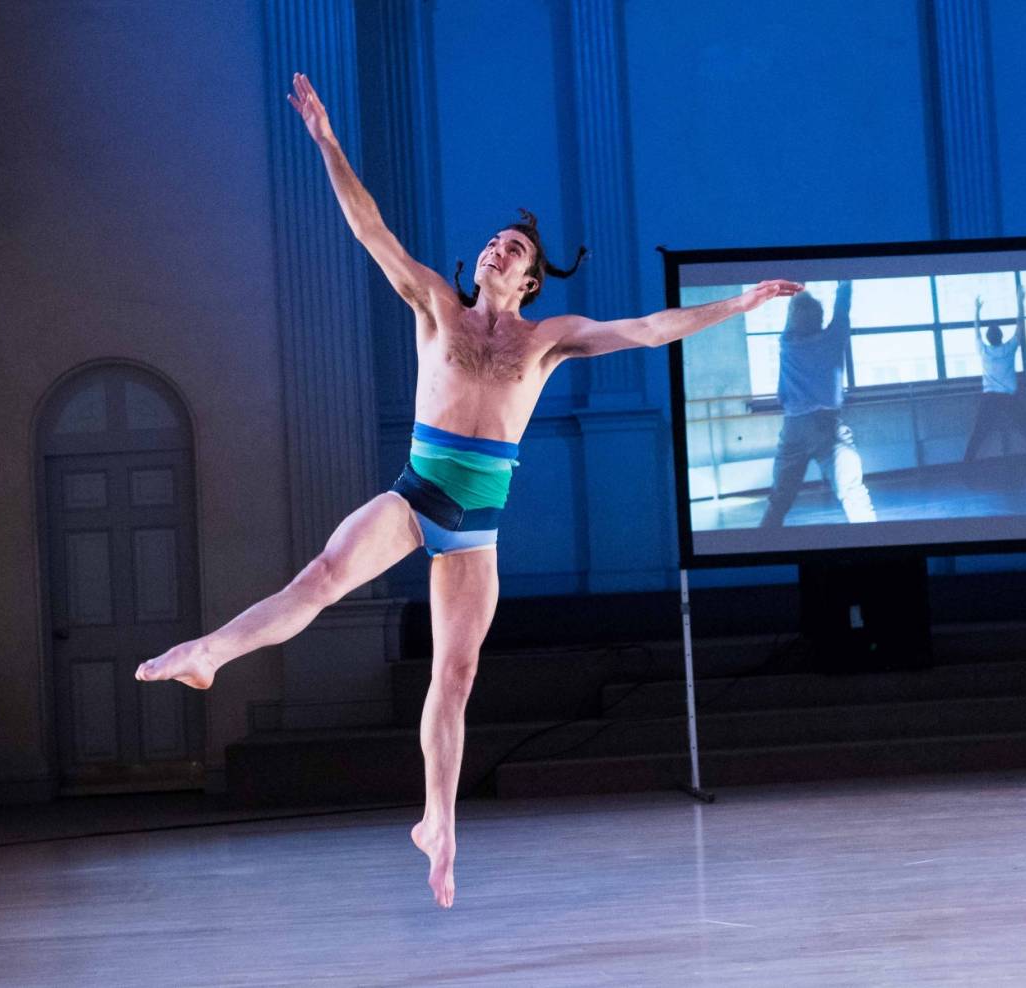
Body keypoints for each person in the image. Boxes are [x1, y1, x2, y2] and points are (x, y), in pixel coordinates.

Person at [134, 73, 802, 908]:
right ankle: (208, 655)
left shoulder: (550, 338)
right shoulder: (435, 307)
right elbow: (369, 228)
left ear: (530, 280)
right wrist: (328, 142)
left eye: (513, 250)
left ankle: (438, 823)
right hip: (417, 493)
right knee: (320, 579)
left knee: (455, 677)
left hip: (478, 528)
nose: (496, 249)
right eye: (492, 242)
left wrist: (738, 302)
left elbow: (645, 330)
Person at [758, 280, 876, 527]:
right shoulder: (833, 338)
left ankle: (755, 554)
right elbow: (842, 307)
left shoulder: (787, 343)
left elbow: (793, 316)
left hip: (793, 428)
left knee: (779, 501)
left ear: (794, 320)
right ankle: (876, 546)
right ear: (820, 320)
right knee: (853, 494)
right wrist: (845, 281)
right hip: (827, 427)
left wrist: (797, 286)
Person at [962, 287, 1026, 462]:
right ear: (1001, 336)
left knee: (979, 432)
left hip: (990, 397)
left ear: (989, 338)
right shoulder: (1009, 348)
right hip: (1009, 397)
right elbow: (1019, 326)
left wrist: (976, 311)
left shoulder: (984, 351)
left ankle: (967, 463)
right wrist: (1020, 302)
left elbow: (976, 331)